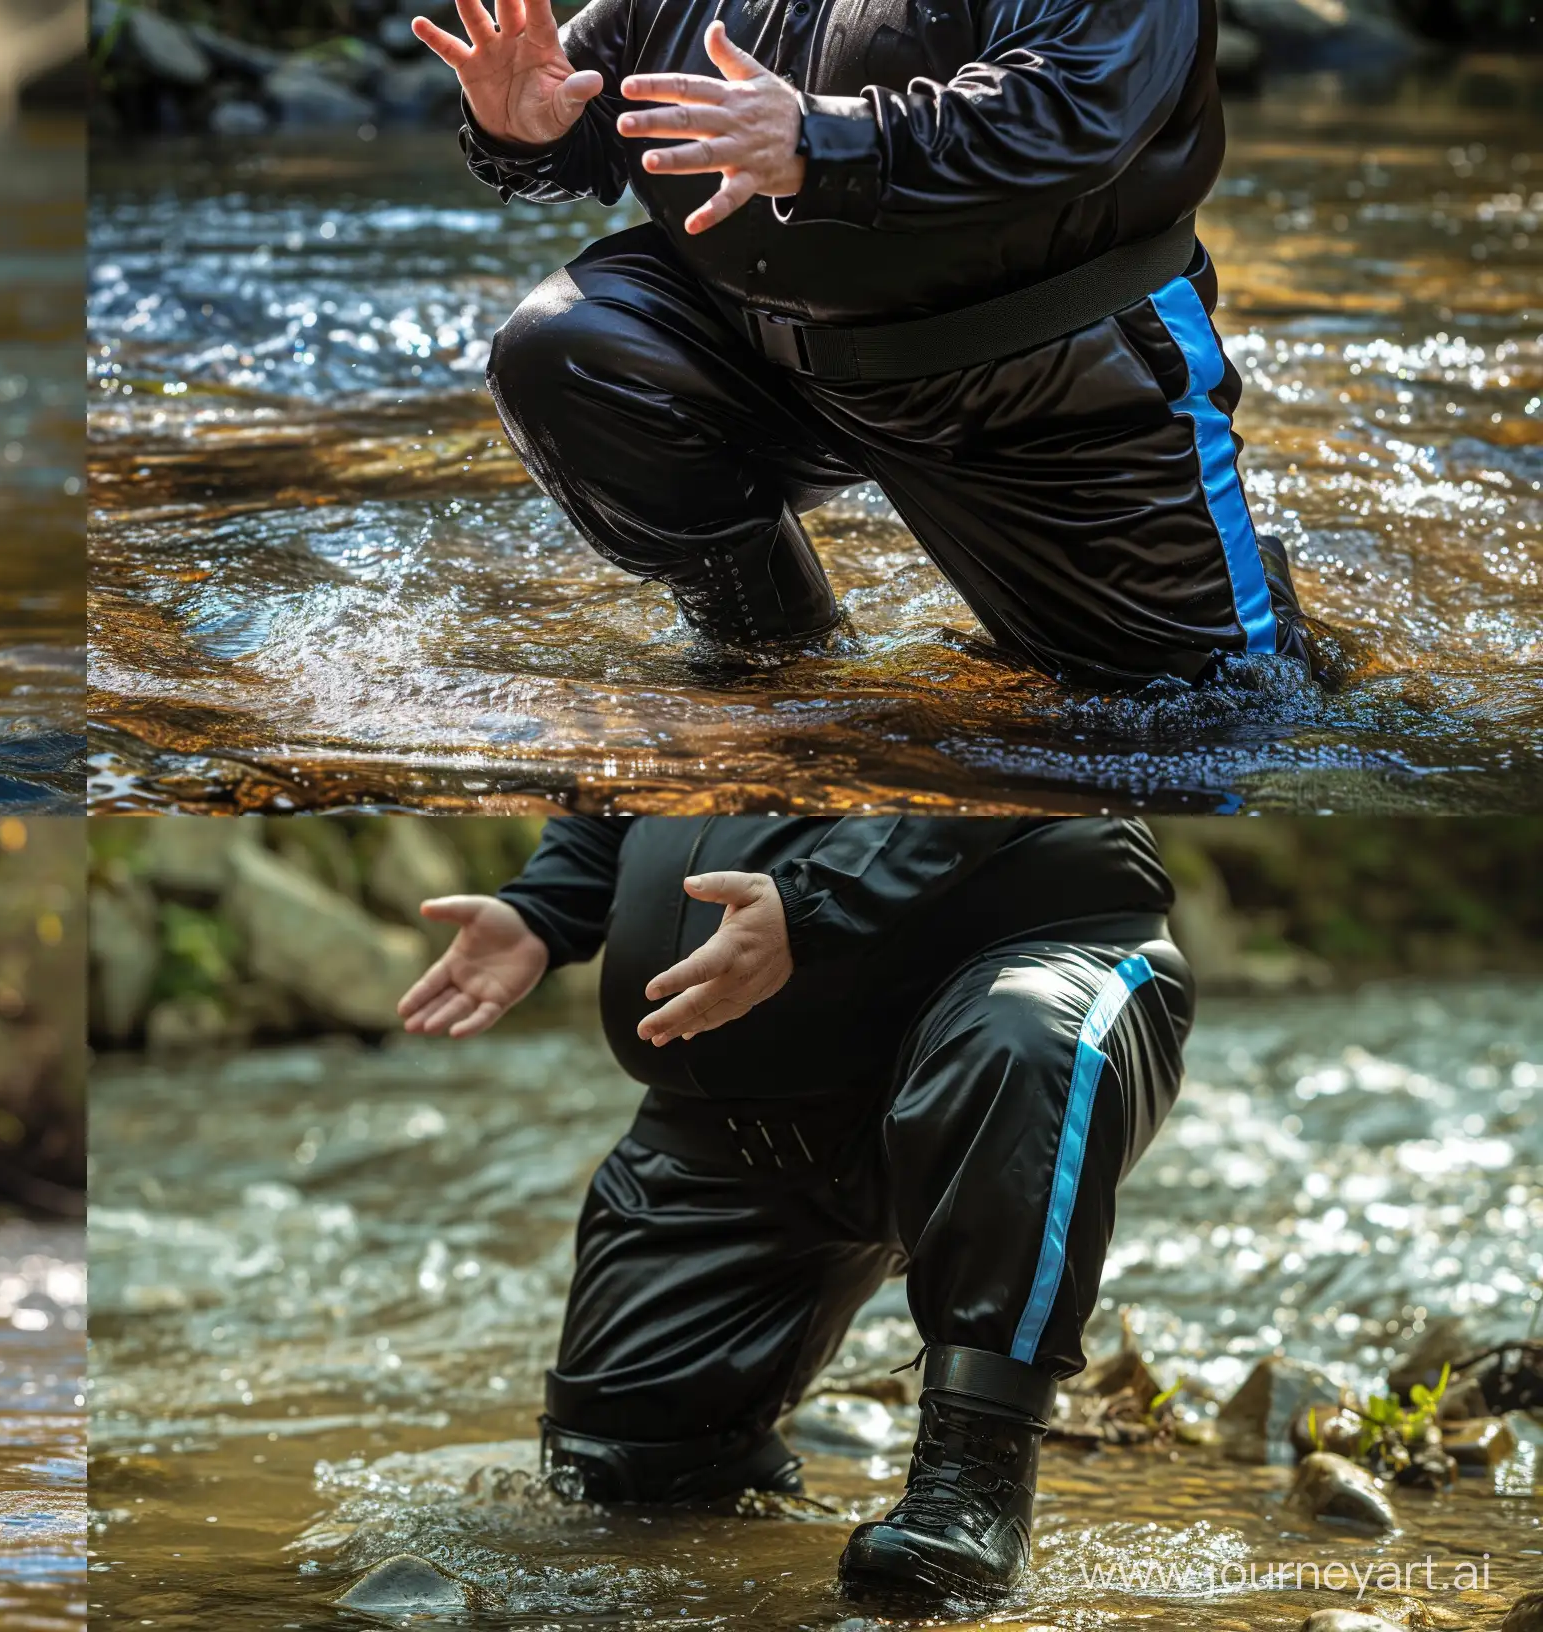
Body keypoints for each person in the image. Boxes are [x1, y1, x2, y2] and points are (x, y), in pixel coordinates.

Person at [397, 816, 1191, 1605]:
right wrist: (545, 907)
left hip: (1028, 979)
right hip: (748, 1125)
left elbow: (991, 754)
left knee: (1023, 1038)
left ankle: (974, 1488)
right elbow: (627, 783)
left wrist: (815, 903)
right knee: (625, 1473)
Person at [412, 0, 1316, 690]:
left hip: (1047, 389)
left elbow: (1078, 109)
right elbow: (606, 120)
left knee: (1216, 714)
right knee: (566, 349)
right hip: (772, 358)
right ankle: (777, 667)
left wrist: (822, 141)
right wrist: (524, 130)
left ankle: (1240, 572)